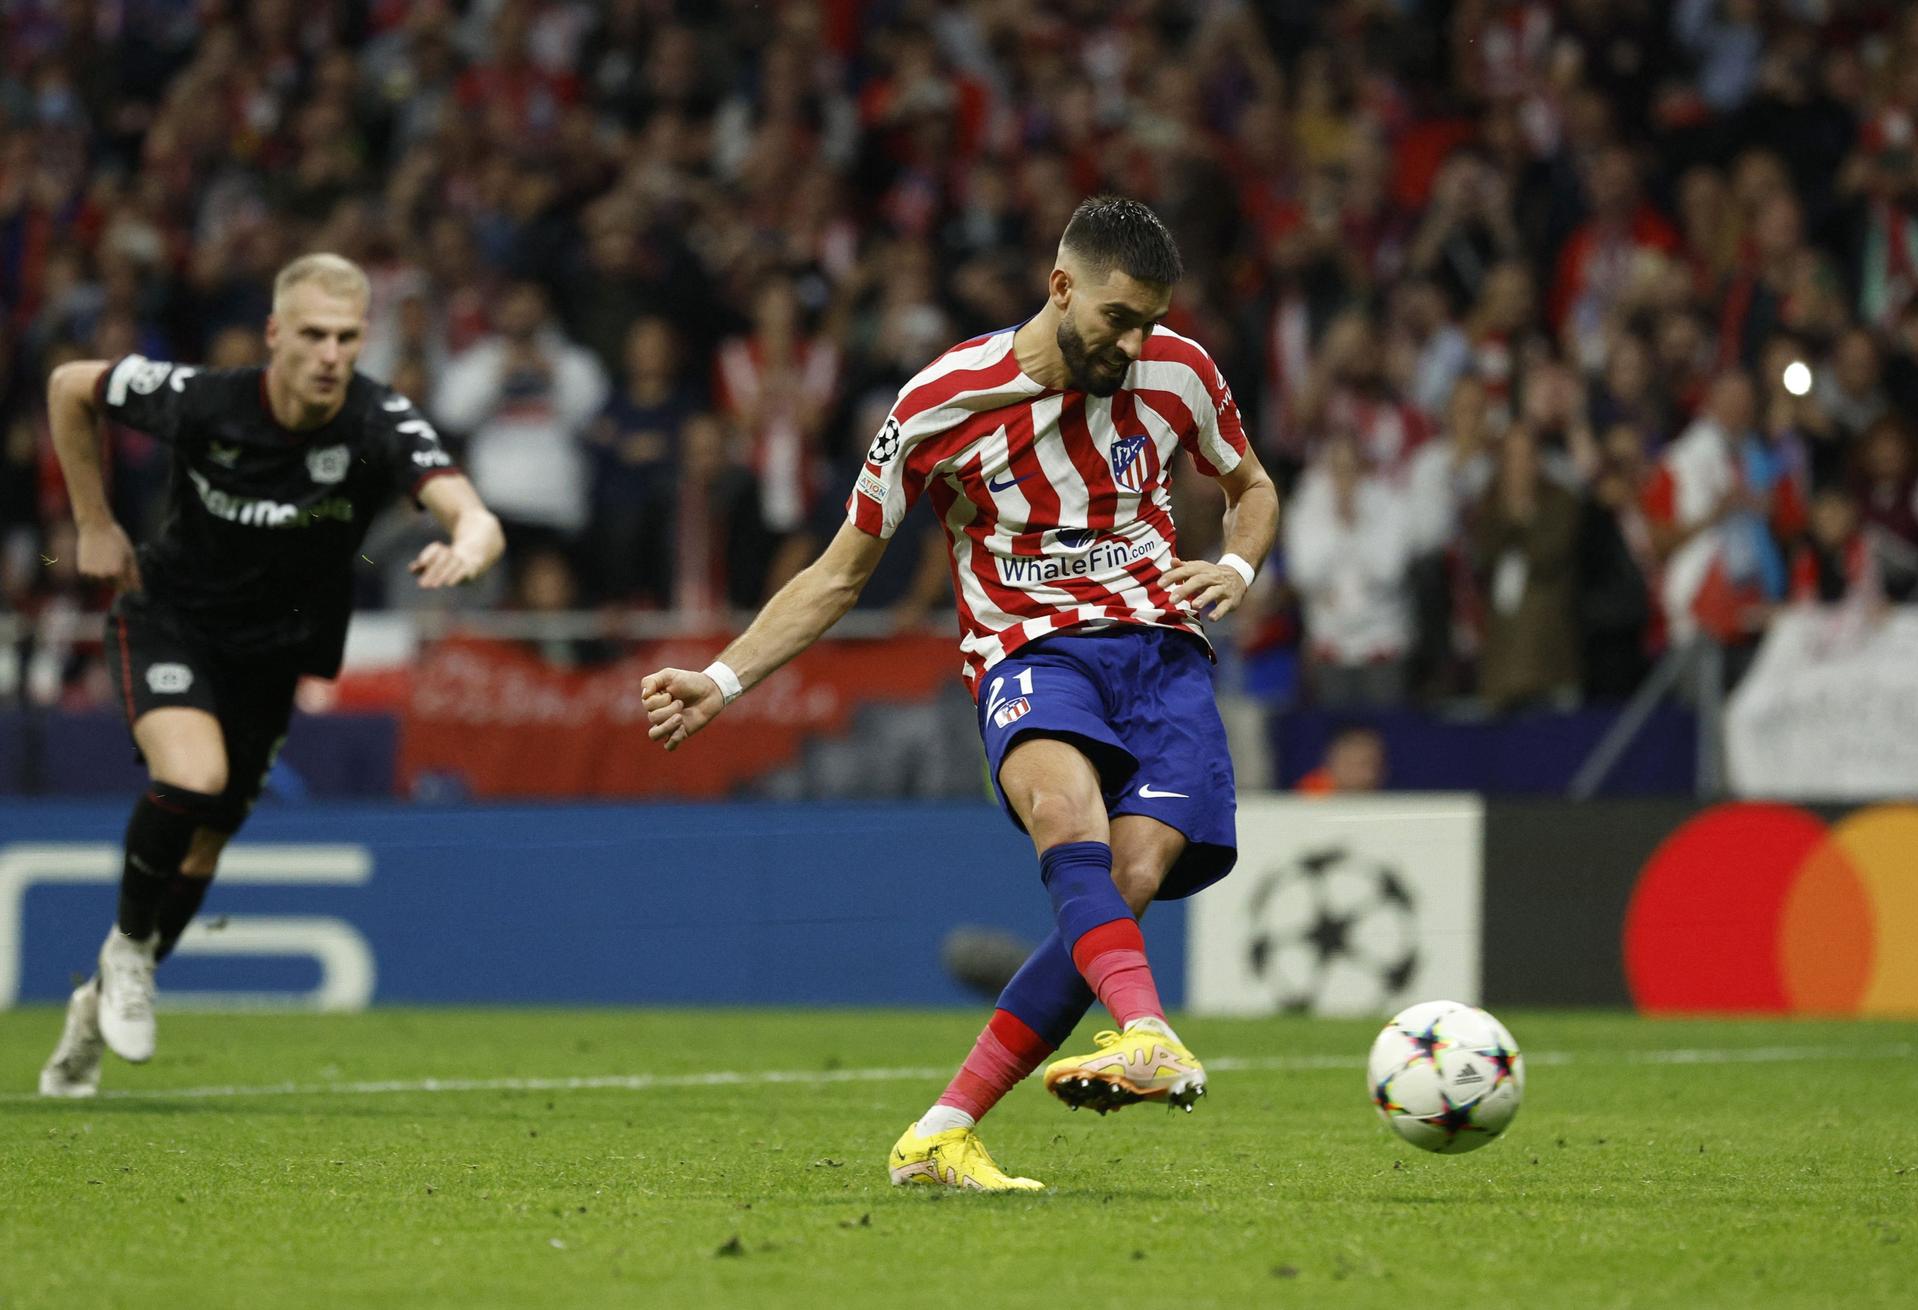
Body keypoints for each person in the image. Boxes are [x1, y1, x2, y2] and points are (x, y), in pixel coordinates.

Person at [639, 197, 1278, 1191]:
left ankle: (941, 1129)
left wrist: (1234, 571)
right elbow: (837, 573)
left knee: (1132, 877)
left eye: (1150, 319)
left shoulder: (1180, 372)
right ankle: (1146, 1030)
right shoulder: (940, 400)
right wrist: (722, 677)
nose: (1135, 339)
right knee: (1065, 815)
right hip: (1031, 653)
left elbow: (1251, 486)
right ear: (1059, 287)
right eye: (1117, 317)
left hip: (1160, 651)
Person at [37, 253, 506, 1097]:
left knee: (208, 842)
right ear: (276, 335)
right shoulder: (207, 399)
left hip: (275, 653)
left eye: (348, 338)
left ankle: (97, 1005)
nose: (331, 355)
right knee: (194, 777)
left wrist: (469, 544)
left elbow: (471, 511)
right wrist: (94, 522)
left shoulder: (377, 419)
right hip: (170, 619)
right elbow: (72, 384)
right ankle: (129, 950)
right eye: (315, 336)